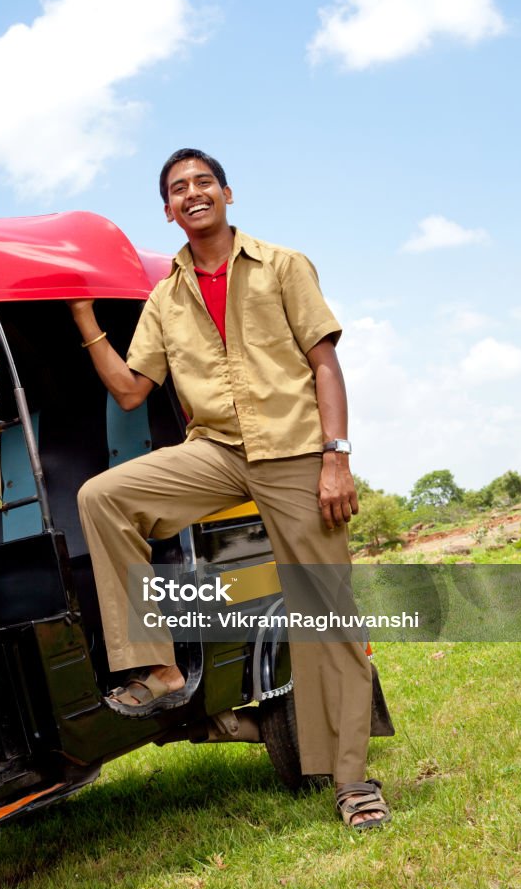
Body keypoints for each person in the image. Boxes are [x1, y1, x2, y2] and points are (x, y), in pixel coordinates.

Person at [69, 149, 391, 830]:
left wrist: (336, 457)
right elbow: (131, 391)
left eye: (202, 183)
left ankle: (355, 782)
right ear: (167, 211)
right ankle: (154, 668)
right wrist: (84, 319)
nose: (192, 194)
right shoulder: (166, 297)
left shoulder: (283, 265)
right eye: (178, 189)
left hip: (296, 452)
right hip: (214, 452)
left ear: (227, 194)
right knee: (104, 497)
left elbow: (324, 364)